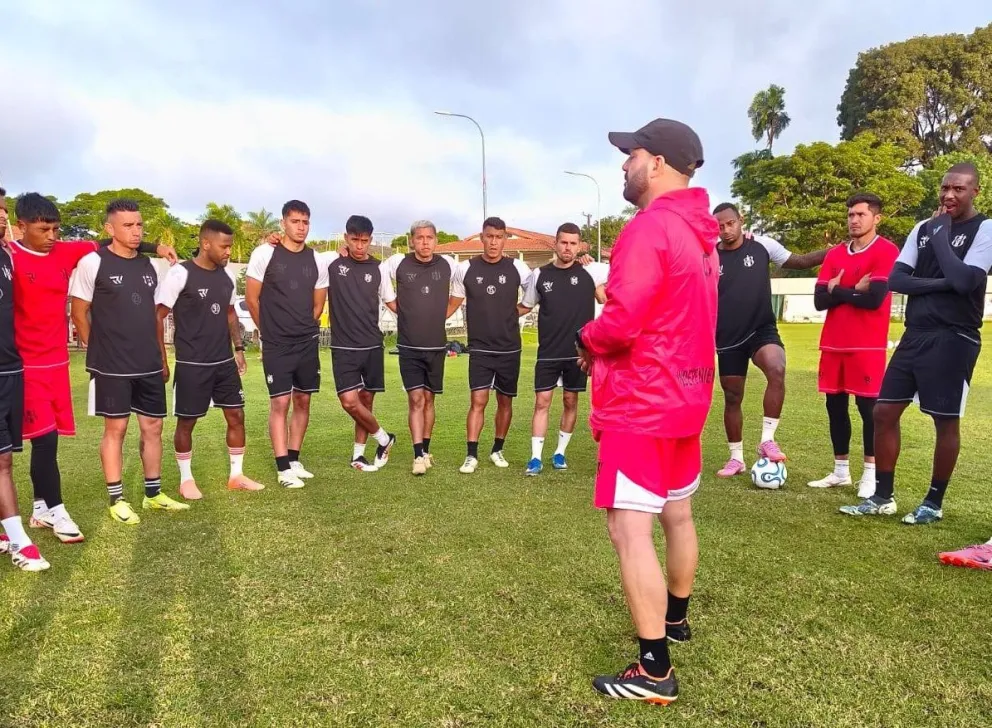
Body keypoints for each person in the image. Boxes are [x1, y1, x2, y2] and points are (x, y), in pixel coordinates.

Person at [579, 118, 718, 705]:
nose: (623, 164)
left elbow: (622, 319)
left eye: (630, 154)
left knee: (628, 527)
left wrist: (587, 337)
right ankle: (676, 620)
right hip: (687, 396)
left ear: (656, 162)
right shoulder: (701, 234)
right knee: (677, 515)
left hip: (644, 400)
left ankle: (654, 670)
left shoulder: (649, 229)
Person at [8, 193, 176, 542]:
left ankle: (43, 508)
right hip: (27, 364)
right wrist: (97, 348)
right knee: (41, 441)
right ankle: (55, 509)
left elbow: (109, 239)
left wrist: (155, 246)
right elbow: (79, 309)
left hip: (59, 363)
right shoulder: (11, 257)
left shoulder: (68, 252)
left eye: (57, 228)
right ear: (21, 227)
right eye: (45, 229)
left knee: (52, 438)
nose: (53, 235)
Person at [841, 163, 992, 523]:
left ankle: (933, 503)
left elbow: (966, 279)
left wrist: (942, 241)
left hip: (955, 336)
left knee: (945, 421)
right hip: (915, 335)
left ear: (975, 192)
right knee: (884, 411)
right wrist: (943, 281)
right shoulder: (923, 228)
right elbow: (897, 279)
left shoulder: (984, 228)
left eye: (958, 189)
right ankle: (882, 496)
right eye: (945, 188)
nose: (949, 195)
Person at [69, 198, 189, 524]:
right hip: (111, 366)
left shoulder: (147, 266)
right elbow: (78, 314)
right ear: (110, 228)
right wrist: (98, 351)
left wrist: (161, 356)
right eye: (128, 226)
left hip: (148, 362)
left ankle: (153, 494)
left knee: (153, 427)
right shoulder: (93, 263)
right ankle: (116, 498)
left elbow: (153, 316)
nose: (136, 231)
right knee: (116, 429)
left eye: (139, 225)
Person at [712, 203, 831, 477]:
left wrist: (835, 251)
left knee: (776, 368)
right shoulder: (709, 255)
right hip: (727, 335)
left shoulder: (762, 245)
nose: (726, 230)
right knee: (732, 396)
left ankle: (767, 439)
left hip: (761, 328)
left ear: (740, 220)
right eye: (720, 226)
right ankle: (736, 458)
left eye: (730, 223)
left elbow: (800, 261)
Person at [155, 220, 264, 498]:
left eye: (230, 246)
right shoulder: (181, 274)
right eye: (224, 246)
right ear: (206, 244)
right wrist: (162, 358)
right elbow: (157, 316)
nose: (228, 252)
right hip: (192, 364)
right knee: (187, 422)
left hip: (223, 363)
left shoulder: (226, 277)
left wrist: (238, 349)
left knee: (237, 415)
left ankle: (236, 475)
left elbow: (229, 314)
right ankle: (186, 479)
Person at [808, 194, 899, 497]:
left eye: (860, 214)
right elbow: (820, 300)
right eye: (850, 215)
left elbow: (874, 300)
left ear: (876, 218)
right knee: (835, 407)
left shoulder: (886, 251)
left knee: (868, 409)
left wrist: (838, 289)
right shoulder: (834, 254)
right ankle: (840, 471)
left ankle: (870, 474)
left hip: (867, 346)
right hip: (833, 343)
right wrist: (851, 291)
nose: (854, 220)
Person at [245, 200, 328, 489]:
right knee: (280, 402)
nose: (301, 227)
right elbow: (252, 299)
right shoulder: (265, 253)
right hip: (277, 344)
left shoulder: (316, 259)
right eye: (295, 221)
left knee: (303, 400)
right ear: (283, 223)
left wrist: (305, 326)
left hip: (306, 343)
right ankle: (282, 468)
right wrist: (268, 330)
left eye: (305, 222)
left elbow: (319, 303)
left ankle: (294, 459)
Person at [517, 222, 607, 476]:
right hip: (548, 352)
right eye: (563, 242)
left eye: (573, 243)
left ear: (580, 247)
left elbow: (615, 287)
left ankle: (560, 453)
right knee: (542, 401)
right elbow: (525, 306)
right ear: (555, 244)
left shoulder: (592, 271)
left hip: (579, 353)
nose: (567, 247)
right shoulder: (540, 275)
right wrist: (497, 315)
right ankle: (535, 458)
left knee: (570, 400)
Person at [448, 217, 533, 474]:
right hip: (480, 348)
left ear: (505, 238)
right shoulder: (466, 269)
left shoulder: (518, 268)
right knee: (478, 400)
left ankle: (497, 449)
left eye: (499, 237)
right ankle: (471, 454)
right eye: (489, 236)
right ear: (482, 237)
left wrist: (510, 314)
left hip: (509, 347)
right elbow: (453, 304)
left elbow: (532, 297)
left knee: (505, 401)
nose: (493, 242)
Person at [380, 220, 458, 475]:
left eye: (429, 237)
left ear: (436, 240)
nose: (424, 242)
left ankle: (425, 449)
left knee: (429, 398)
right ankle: (417, 456)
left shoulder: (449, 265)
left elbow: (459, 292)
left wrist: (441, 315)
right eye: (419, 238)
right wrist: (395, 306)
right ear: (412, 240)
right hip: (409, 345)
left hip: (436, 346)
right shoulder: (398, 263)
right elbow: (379, 278)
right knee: (415, 399)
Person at [320, 215, 396, 471]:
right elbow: (298, 255)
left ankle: (358, 454)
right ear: (346, 238)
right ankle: (385, 439)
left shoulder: (379, 268)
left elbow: (391, 302)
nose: (360, 246)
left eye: (364, 241)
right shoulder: (331, 262)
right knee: (349, 402)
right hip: (343, 346)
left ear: (370, 240)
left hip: (372, 345)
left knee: (365, 402)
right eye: (355, 240)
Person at [0, 232, 49, 570]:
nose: (1, 216)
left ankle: (5, 533)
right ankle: (20, 542)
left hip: (10, 370)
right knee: (1, 461)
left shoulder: (6, 257)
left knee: (5, 460)